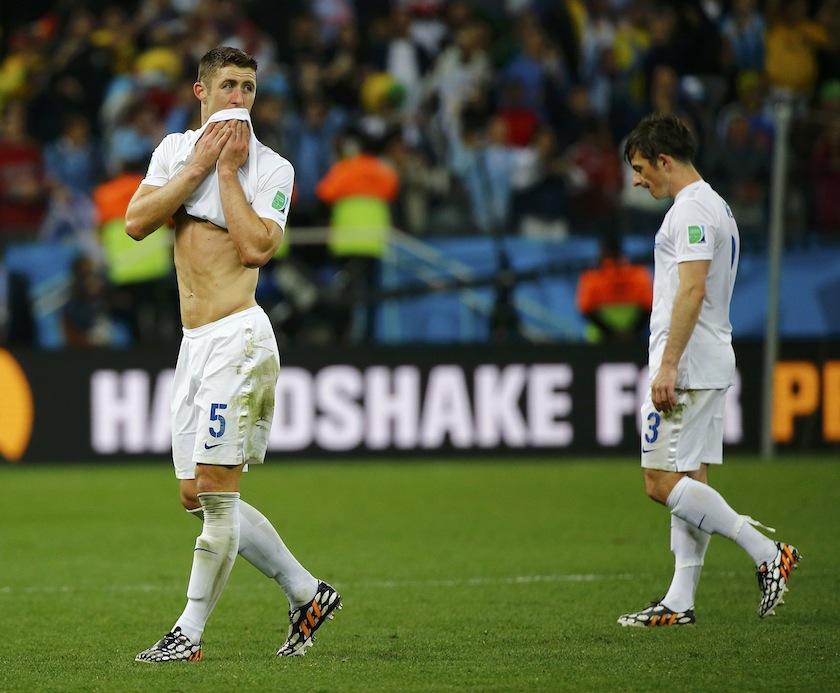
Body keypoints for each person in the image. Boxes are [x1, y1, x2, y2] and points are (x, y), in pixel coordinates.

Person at [125, 46, 341, 663]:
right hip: (193, 344)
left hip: (238, 340)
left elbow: (256, 250)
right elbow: (136, 222)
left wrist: (226, 173)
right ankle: (307, 592)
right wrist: (199, 165)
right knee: (195, 495)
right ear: (201, 91)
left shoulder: (272, 168)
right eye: (228, 86)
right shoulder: (174, 150)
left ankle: (187, 635)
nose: (239, 98)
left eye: (248, 87)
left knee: (218, 495)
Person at [617, 112, 800, 628]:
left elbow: (693, 290)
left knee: (659, 481)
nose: (637, 181)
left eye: (640, 168)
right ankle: (680, 600)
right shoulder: (715, 205)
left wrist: (668, 365)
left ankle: (767, 552)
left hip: (689, 366)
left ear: (663, 161)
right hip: (707, 359)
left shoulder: (692, 210)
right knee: (691, 480)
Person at [575, 235, 652, 343]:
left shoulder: (591, 277)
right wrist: (631, 333)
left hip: (599, 340)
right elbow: (648, 307)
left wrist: (611, 333)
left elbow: (586, 309)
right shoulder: (639, 274)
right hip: (634, 339)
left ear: (602, 252)